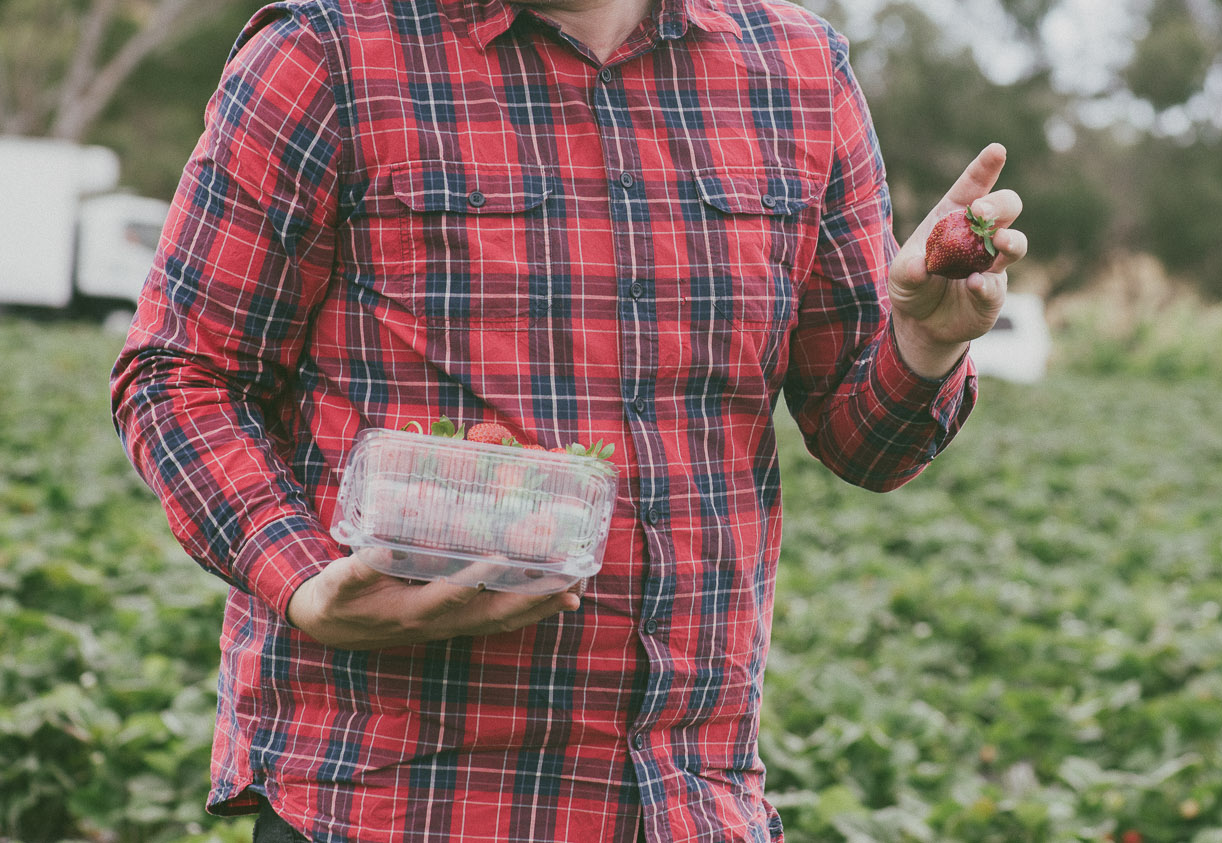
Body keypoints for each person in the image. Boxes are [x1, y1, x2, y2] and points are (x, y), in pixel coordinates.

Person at [110, 0, 1026, 839]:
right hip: (392, 798)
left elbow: (863, 439)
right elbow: (179, 373)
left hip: (687, 800)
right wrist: (305, 581)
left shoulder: (795, 69)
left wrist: (922, 344)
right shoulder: (330, 53)